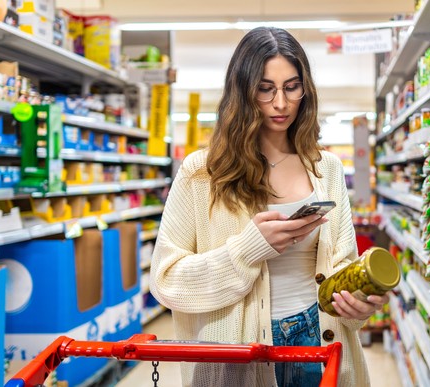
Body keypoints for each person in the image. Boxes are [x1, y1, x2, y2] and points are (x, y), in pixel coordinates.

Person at [150, 26, 389, 387]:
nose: (281, 103)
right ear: (242, 92)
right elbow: (166, 280)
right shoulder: (203, 172)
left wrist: (358, 303)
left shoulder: (327, 169)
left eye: (292, 87)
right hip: (238, 356)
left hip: (319, 341)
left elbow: (340, 265)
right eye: (265, 89)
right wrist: (247, 250)